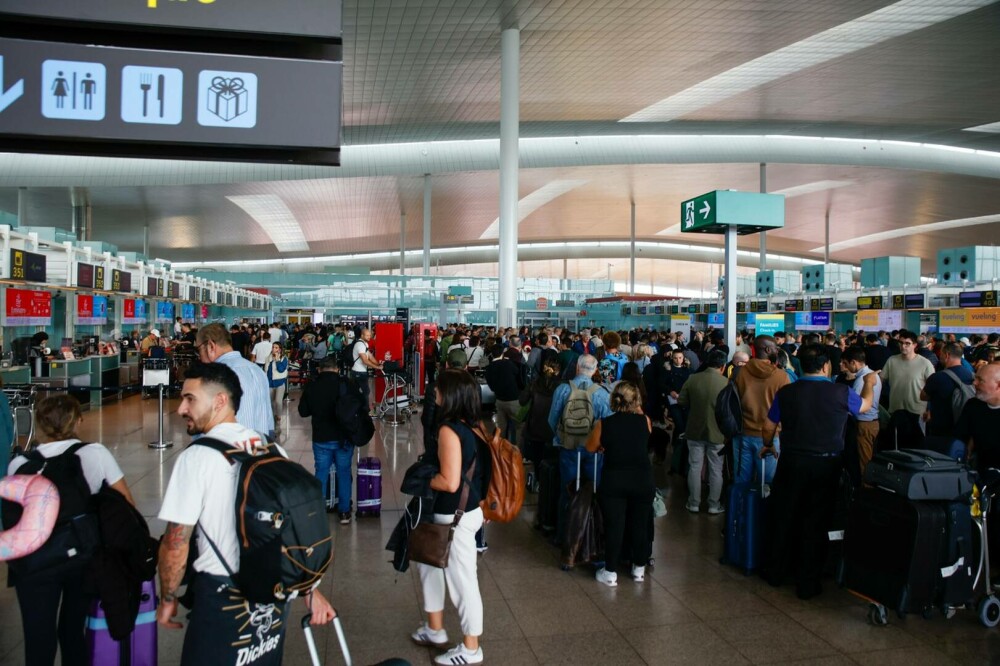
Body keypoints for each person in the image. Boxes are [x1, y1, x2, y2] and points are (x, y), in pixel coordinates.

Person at [156, 362, 334, 664]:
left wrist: (169, 596)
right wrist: (309, 588)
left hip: (222, 597)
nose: (181, 408)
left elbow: (176, 542)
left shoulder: (197, 457)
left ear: (220, 401)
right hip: (272, 592)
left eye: (190, 399)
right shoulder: (271, 448)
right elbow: (294, 525)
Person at [7, 394, 135, 666]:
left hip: (33, 562)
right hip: (79, 556)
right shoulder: (93, 453)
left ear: (38, 424)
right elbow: (126, 505)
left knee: (37, 638)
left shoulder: (18, 464)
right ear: (77, 420)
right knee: (73, 631)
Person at [761, 344, 877, 600]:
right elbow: (865, 407)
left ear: (801, 365)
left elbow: (769, 424)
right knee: (816, 522)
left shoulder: (787, 392)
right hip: (826, 466)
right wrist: (869, 381)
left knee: (784, 516)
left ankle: (775, 572)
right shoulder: (840, 392)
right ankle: (807, 583)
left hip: (791, 462)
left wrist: (768, 445)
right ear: (826, 367)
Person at [410, 370, 487, 666]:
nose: (434, 393)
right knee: (429, 565)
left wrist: (422, 479)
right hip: (463, 510)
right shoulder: (474, 426)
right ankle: (434, 628)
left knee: (462, 580)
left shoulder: (449, 430)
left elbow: (450, 481)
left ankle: (471, 648)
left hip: (453, 514)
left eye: (438, 389)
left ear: (450, 394)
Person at [586, 381, 654, 586]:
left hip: (614, 480)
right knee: (640, 524)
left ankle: (610, 572)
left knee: (614, 525)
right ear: (636, 400)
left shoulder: (604, 424)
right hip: (642, 479)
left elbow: (590, 447)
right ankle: (639, 569)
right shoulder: (645, 421)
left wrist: (603, 446)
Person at [548, 354, 611, 543]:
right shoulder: (601, 392)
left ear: (577, 367)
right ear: (595, 370)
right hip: (592, 451)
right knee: (592, 490)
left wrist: (562, 437)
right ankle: (589, 535)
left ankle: (564, 536)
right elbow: (606, 424)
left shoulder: (562, 389)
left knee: (567, 491)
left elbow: (552, 420)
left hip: (567, 447)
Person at [298, 357, 361, 524]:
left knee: (321, 472)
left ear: (319, 370)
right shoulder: (346, 384)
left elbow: (303, 412)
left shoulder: (312, 385)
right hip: (344, 438)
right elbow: (360, 406)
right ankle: (344, 513)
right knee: (344, 473)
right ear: (337, 369)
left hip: (321, 438)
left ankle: (318, 511)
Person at [196, 322, 274, 440]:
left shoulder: (216, 376)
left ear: (211, 346)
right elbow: (268, 422)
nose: (199, 357)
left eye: (198, 350)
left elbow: (209, 429)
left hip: (229, 452)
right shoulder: (257, 371)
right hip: (258, 451)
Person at [733, 335, 790, 484]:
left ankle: (742, 507)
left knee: (741, 482)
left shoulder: (740, 373)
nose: (777, 351)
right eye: (775, 348)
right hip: (770, 438)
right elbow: (787, 408)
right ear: (767, 349)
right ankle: (764, 508)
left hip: (743, 433)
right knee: (768, 483)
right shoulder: (781, 376)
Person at [678, 349, 729, 514]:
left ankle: (694, 502)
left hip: (694, 429)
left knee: (695, 466)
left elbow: (682, 400)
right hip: (718, 433)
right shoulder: (726, 383)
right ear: (722, 366)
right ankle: (713, 505)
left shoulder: (693, 379)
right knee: (716, 469)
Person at [881, 330, 935, 450]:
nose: (903, 346)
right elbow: (881, 380)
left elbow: (932, 389)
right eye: (901, 343)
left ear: (915, 345)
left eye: (907, 343)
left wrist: (930, 409)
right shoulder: (892, 361)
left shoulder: (925, 364)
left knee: (916, 447)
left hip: (917, 412)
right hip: (896, 411)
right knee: (896, 446)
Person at [921, 342, 974, 450]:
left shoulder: (937, 377)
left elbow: (923, 396)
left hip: (940, 431)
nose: (939, 356)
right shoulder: (972, 375)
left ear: (947, 355)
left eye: (941, 354)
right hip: (963, 429)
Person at [840, 346, 881, 483]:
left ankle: (866, 493)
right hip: (871, 422)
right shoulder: (871, 375)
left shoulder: (863, 380)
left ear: (854, 363)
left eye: (845, 363)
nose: (843, 366)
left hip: (864, 424)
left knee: (864, 461)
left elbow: (857, 407)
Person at [484, 343, 525, 446]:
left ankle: (501, 451)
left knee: (501, 428)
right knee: (519, 426)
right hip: (513, 400)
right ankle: (517, 450)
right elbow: (518, 375)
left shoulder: (489, 368)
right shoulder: (509, 364)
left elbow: (491, 386)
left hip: (499, 401)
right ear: (502, 354)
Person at [351, 327, 383, 410]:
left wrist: (378, 363)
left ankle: (356, 408)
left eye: (370, 335)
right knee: (366, 391)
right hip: (358, 372)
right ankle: (365, 410)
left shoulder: (365, 344)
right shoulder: (359, 345)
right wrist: (377, 367)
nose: (369, 337)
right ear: (362, 335)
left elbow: (370, 356)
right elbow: (365, 360)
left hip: (361, 372)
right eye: (367, 335)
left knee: (355, 391)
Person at [265, 341, 289, 426]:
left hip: (279, 383)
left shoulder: (284, 358)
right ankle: (271, 417)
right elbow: (266, 370)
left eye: (276, 348)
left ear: (280, 349)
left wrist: (277, 360)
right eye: (273, 347)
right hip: (270, 383)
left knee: (278, 402)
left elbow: (281, 370)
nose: (274, 349)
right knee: (270, 402)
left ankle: (278, 417)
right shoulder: (268, 358)